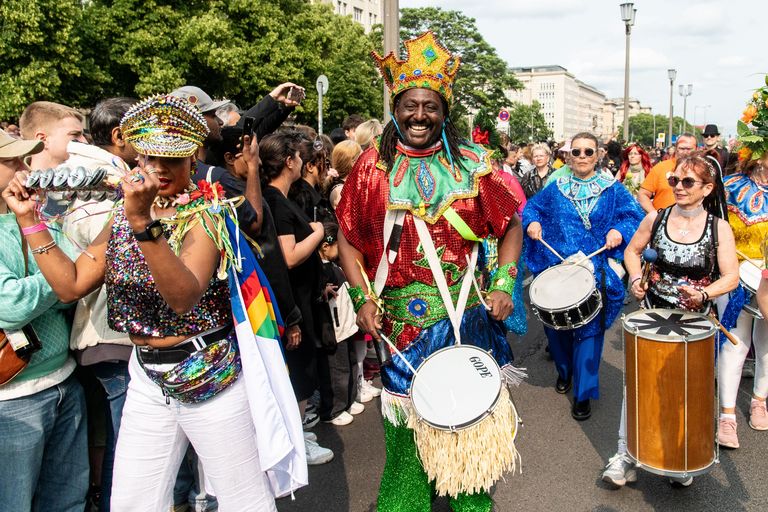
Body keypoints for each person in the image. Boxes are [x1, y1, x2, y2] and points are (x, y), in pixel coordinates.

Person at [4, 95, 304, 510]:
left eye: (173, 160)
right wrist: (29, 221)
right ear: (136, 157)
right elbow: (71, 285)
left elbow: (182, 296)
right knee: (132, 502)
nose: (159, 170)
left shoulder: (206, 214)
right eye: (150, 159)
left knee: (244, 502)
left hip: (208, 377)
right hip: (146, 378)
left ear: (193, 159)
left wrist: (143, 222)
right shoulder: (122, 214)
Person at [337, 31, 523, 512]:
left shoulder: (474, 166)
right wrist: (362, 298)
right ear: (396, 109)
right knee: (405, 446)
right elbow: (348, 238)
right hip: (400, 327)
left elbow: (510, 226)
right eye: (410, 106)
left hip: (464, 321)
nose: (419, 116)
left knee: (469, 438)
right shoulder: (370, 169)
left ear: (445, 112)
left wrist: (504, 284)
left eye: (430, 107)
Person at [602, 154, 739, 488]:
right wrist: (635, 279)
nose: (678, 187)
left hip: (696, 322)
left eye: (687, 182)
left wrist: (705, 294)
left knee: (686, 391)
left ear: (707, 188)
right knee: (636, 384)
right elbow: (632, 252)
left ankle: (683, 457)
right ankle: (625, 454)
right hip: (653, 313)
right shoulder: (656, 219)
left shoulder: (718, 227)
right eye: (674, 181)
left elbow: (731, 277)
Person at [524, 132, 645, 421]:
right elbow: (531, 208)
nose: (581, 157)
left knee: (589, 334)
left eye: (588, 151)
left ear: (599, 154)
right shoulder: (556, 187)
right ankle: (564, 371)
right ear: (567, 155)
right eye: (575, 152)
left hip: (595, 269)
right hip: (558, 267)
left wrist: (620, 231)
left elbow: (633, 217)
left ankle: (583, 392)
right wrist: (533, 223)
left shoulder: (613, 189)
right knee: (557, 331)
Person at [0, 129, 89, 511]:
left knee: (68, 500)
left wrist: (62, 277)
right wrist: (59, 279)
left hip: (64, 380)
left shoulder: (34, 215)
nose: (25, 169)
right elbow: (11, 304)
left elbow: (75, 274)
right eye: (13, 162)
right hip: (12, 399)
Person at [61, 97, 138, 511]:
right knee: (128, 450)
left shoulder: (109, 180)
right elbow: (103, 265)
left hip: (110, 335)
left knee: (115, 441)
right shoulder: (106, 186)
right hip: (111, 335)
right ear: (118, 136)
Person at [260, 131, 335, 465]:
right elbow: (288, 256)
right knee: (299, 373)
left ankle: (297, 434)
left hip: (301, 297)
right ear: (289, 161)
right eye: (299, 157)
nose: (304, 162)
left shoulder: (279, 198)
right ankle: (296, 442)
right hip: (292, 302)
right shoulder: (275, 201)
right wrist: (318, 233)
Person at [717, 153, 768, 448]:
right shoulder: (731, 185)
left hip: (766, 278)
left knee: (766, 343)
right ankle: (726, 416)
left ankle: (759, 400)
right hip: (735, 274)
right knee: (736, 343)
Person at [637, 134, 696, 213]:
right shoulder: (661, 167)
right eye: (682, 148)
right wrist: (654, 215)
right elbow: (642, 195)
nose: (685, 152)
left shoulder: (701, 171)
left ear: (696, 149)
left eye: (689, 149)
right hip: (662, 221)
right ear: (676, 149)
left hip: (692, 221)